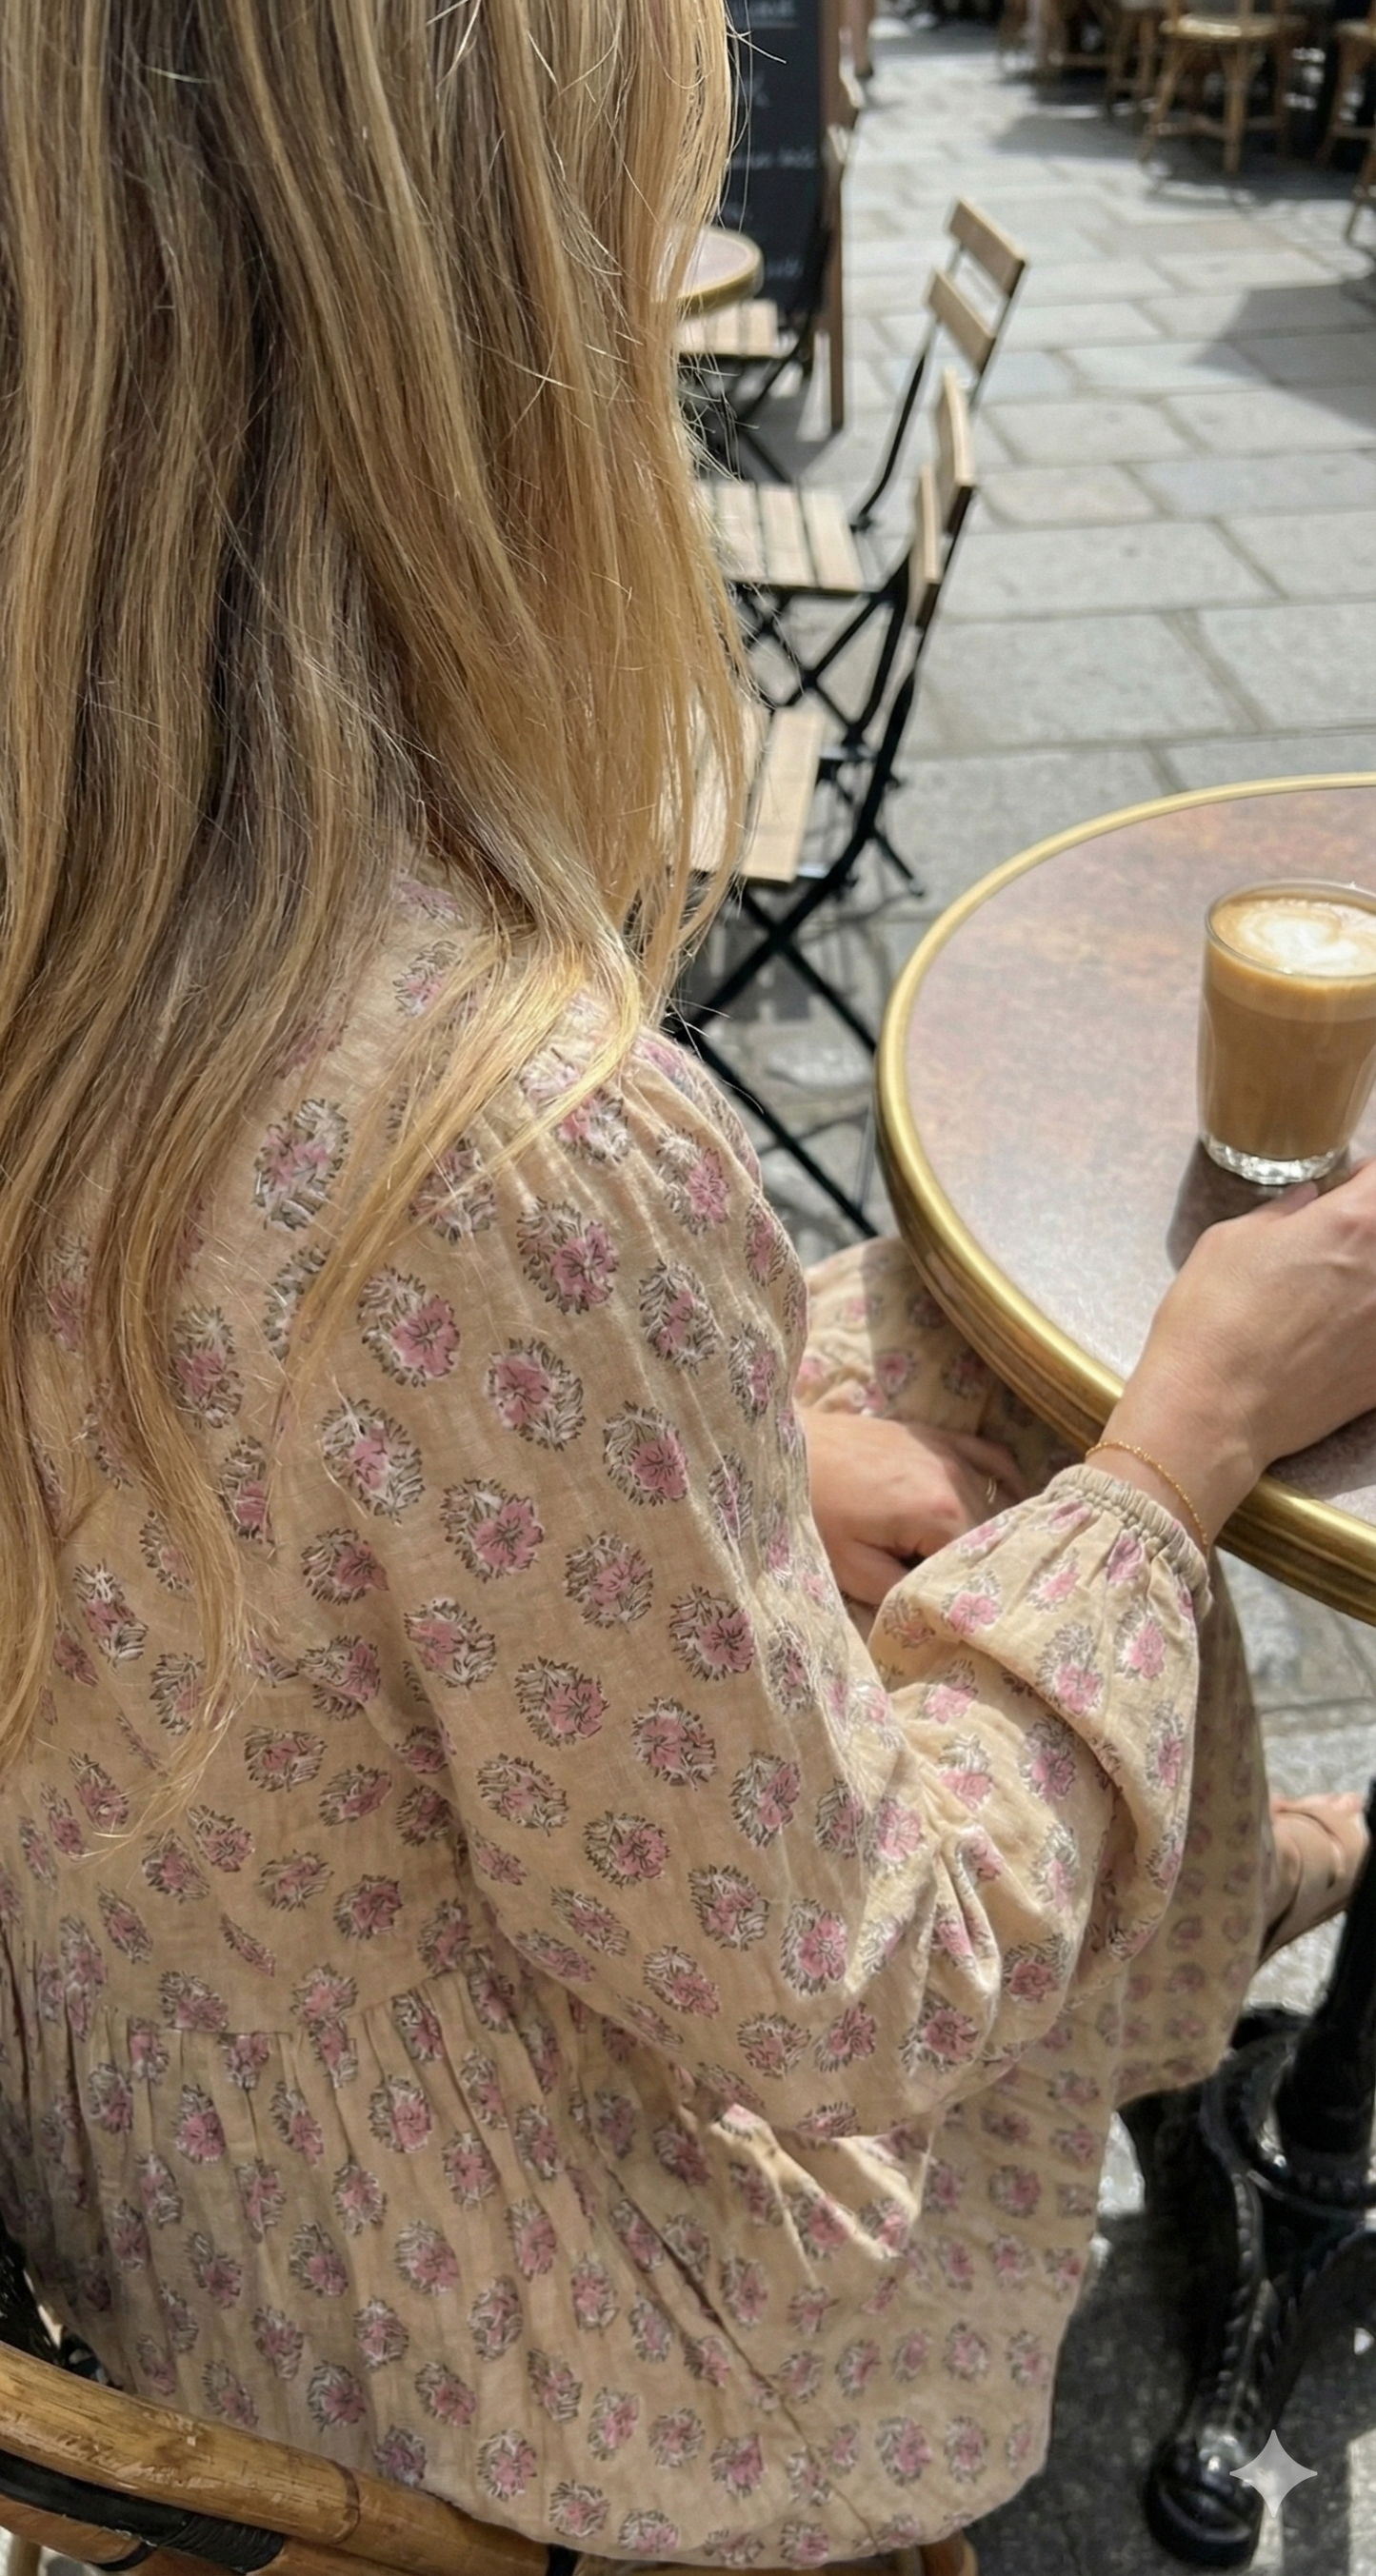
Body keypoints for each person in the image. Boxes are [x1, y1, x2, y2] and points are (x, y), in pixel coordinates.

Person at [0, 4, 1371, 2568]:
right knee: (1093, 1445)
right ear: (481, 299)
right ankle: (1229, 1880)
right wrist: (1173, 1458)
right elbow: (845, 1990)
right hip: (516, 2308)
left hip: (145, 2074)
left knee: (929, 1359)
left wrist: (731, 1459)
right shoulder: (486, 1130)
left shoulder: (90, 886)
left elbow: (344, 1464)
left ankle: (1226, 1860)